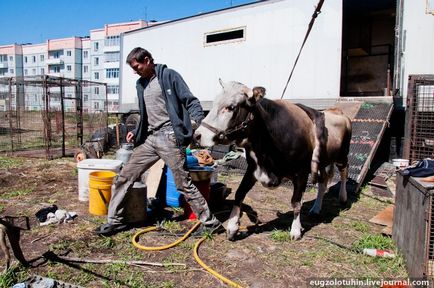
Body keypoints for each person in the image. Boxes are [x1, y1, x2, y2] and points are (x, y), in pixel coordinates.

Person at [95, 47, 223, 236]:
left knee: (183, 183)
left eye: (137, 66)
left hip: (170, 137)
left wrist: (199, 122)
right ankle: (115, 221)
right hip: (150, 139)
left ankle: (211, 222)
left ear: (147, 60)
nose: (135, 71)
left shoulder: (169, 76)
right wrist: (136, 131)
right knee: (125, 176)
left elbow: (190, 100)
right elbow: (146, 114)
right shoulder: (141, 84)